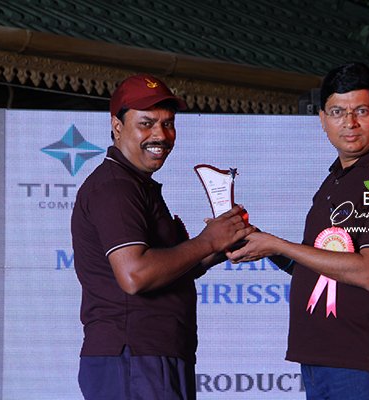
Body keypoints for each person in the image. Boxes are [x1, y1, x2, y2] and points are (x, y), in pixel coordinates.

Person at [228, 62, 369, 400]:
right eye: (337, 112)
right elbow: (317, 267)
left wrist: (278, 244)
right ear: (322, 119)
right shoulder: (338, 177)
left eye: (361, 111)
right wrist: (258, 240)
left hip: (361, 357)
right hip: (321, 354)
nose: (349, 123)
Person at [71, 74, 254, 400]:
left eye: (168, 124)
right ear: (117, 126)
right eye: (146, 123)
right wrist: (208, 241)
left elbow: (166, 270)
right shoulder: (116, 187)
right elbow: (135, 275)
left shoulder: (136, 185)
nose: (160, 135)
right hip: (134, 358)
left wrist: (221, 245)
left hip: (151, 356)